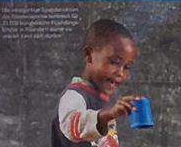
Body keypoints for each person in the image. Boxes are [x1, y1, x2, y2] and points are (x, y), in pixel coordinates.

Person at [52, 19, 142, 147]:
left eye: (127, 67)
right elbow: (72, 125)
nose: (121, 73)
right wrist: (108, 115)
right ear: (89, 55)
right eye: (114, 62)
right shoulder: (74, 95)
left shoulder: (101, 98)